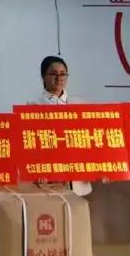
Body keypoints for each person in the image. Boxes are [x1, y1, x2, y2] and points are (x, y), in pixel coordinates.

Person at [32, 56, 91, 197]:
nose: (59, 78)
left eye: (63, 73)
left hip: (78, 176)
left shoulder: (80, 104)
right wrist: (37, 170)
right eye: (53, 73)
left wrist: (100, 168)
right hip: (50, 176)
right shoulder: (33, 106)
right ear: (43, 76)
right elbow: (31, 144)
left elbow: (91, 139)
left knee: (80, 209)